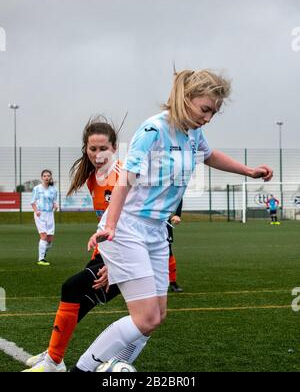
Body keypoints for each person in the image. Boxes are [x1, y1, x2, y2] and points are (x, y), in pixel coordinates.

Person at [70, 68, 273, 372]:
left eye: (214, 112)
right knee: (146, 317)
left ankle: (111, 368)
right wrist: (110, 224)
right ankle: (85, 370)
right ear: (185, 98)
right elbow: (126, 178)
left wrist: (248, 171)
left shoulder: (193, 132)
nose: (208, 118)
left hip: (157, 231)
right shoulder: (154, 130)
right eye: (205, 109)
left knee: (155, 318)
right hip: (128, 228)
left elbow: (209, 154)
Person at [23, 117, 148, 372]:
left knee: (76, 290)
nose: (98, 154)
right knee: (81, 301)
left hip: (130, 254)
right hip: (107, 252)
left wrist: (115, 265)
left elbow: (143, 223)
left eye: (104, 149)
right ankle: (55, 356)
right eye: (93, 149)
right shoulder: (92, 176)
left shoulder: (126, 177)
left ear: (115, 148)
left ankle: (58, 362)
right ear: (86, 149)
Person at [31, 170, 58, 266]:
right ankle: (41, 259)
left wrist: (55, 205)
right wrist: (36, 210)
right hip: (40, 214)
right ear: (41, 177)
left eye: (48, 176)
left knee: (50, 240)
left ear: (50, 177)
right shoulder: (37, 189)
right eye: (44, 176)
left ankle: (44, 251)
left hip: (50, 214)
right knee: (44, 236)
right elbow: (32, 202)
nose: (46, 177)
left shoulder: (53, 190)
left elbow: (54, 201)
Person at [168, 199, 183, 293]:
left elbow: (179, 195)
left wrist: (177, 214)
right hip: (138, 222)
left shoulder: (167, 184)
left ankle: (173, 282)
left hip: (162, 222)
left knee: (168, 252)